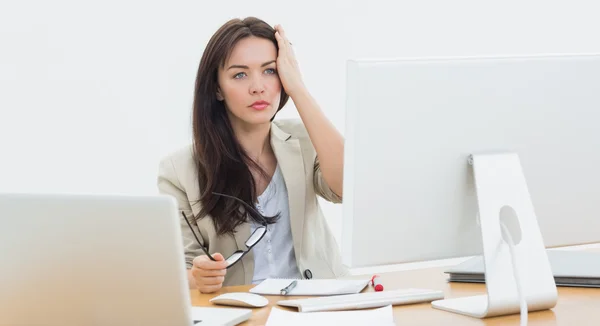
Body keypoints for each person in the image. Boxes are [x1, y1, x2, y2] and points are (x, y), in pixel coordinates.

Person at [157, 16, 348, 293]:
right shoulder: (178, 170)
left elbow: (345, 187)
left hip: (318, 302)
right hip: (243, 311)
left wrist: (298, 89)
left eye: (270, 71)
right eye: (240, 74)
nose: (258, 86)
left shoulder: (304, 138)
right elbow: (183, 267)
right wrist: (197, 276)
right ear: (217, 89)